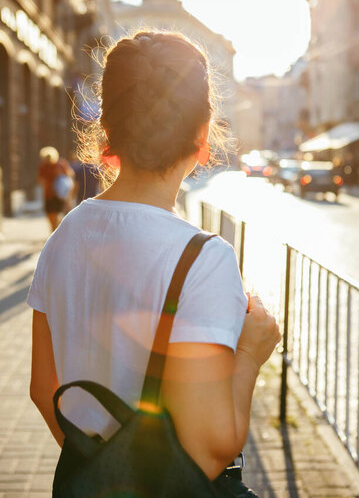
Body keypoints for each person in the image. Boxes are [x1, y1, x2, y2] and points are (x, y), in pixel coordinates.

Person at [28, 32, 281, 490]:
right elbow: (207, 449)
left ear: (106, 134)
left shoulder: (63, 238)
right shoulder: (205, 260)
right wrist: (250, 354)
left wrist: (105, 469)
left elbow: (44, 390)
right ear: (202, 137)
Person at [37, 146, 75, 232]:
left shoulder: (61, 164)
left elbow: (69, 176)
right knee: (52, 218)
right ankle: (54, 234)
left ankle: (56, 233)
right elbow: (40, 180)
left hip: (59, 195)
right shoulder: (44, 167)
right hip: (50, 195)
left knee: (58, 217)